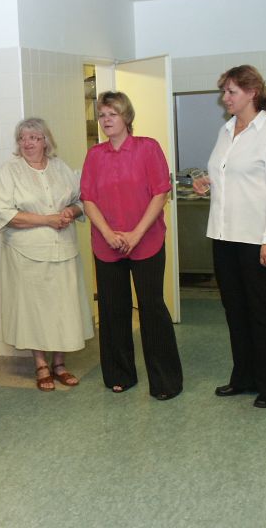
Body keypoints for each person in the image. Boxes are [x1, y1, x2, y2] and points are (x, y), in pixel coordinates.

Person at [193, 65, 266, 408]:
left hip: (256, 238)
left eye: (231, 92)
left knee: (260, 309)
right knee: (234, 308)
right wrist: (207, 183)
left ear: (252, 92)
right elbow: (228, 175)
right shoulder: (226, 131)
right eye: (224, 91)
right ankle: (244, 377)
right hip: (224, 235)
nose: (225, 98)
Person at [81, 91, 183, 401]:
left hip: (146, 241)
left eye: (112, 113)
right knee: (113, 310)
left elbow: (160, 194)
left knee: (151, 308)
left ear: (126, 116)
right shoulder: (94, 155)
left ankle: (165, 380)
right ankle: (119, 374)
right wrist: (108, 233)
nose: (106, 120)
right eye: (102, 115)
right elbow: (88, 199)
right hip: (106, 243)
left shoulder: (147, 148)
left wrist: (136, 234)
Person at [0, 118, 93, 391]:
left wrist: (70, 211)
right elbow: (7, 214)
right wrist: (48, 219)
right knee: (35, 311)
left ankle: (59, 364)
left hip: (63, 250)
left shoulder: (60, 168)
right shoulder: (10, 171)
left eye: (34, 138)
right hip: (27, 254)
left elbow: (81, 200)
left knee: (63, 308)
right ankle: (40, 364)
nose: (27, 143)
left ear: (45, 141)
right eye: (22, 138)